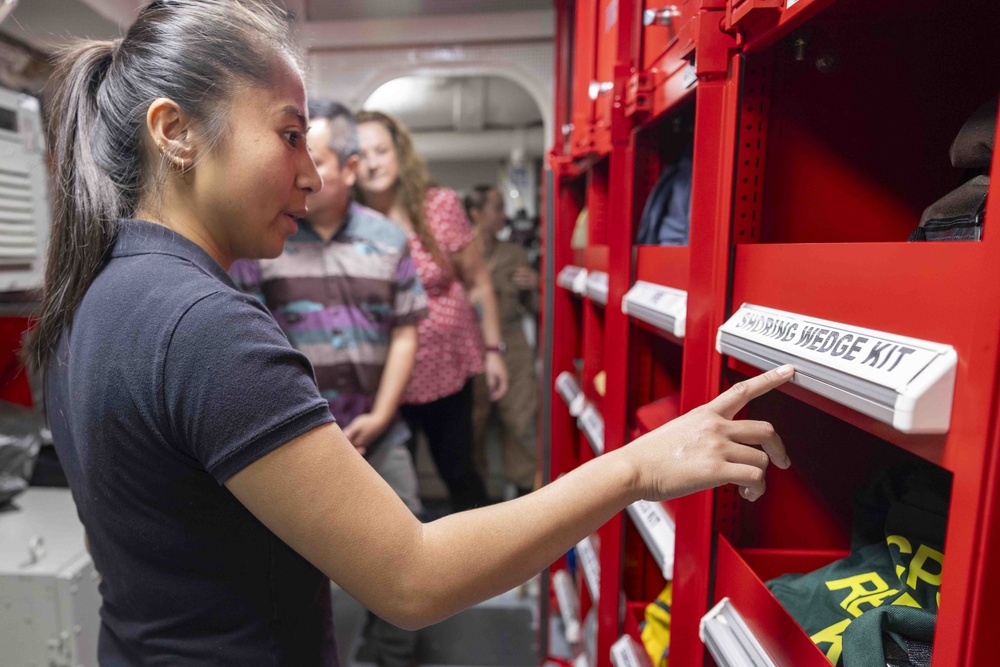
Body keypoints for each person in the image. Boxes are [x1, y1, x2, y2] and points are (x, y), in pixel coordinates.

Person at [27, 1, 793, 665]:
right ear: (176, 132)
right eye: (290, 135)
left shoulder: (94, 291)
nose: (314, 174)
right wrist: (636, 469)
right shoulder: (203, 325)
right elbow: (413, 576)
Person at [229, 99, 425, 667]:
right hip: (291, 443)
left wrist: (384, 415)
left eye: (314, 155)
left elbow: (407, 332)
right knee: (295, 567)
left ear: (351, 167)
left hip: (378, 434)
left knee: (407, 552)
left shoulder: (389, 240)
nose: (301, 172)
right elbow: (250, 336)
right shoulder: (267, 239)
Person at [353, 110, 508, 513]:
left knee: (459, 471)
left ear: (399, 153)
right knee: (387, 485)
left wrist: (493, 353)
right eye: (361, 152)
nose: (372, 162)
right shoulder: (349, 219)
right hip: (383, 375)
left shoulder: (439, 205)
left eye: (381, 150)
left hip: (448, 368)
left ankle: (487, 566)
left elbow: (477, 281)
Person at [465, 184, 541, 499]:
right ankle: (480, 506)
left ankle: (525, 503)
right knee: (472, 430)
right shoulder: (458, 253)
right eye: (496, 207)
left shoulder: (514, 254)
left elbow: (536, 309)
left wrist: (538, 285)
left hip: (512, 347)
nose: (504, 215)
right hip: (470, 349)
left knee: (522, 425)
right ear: (476, 213)